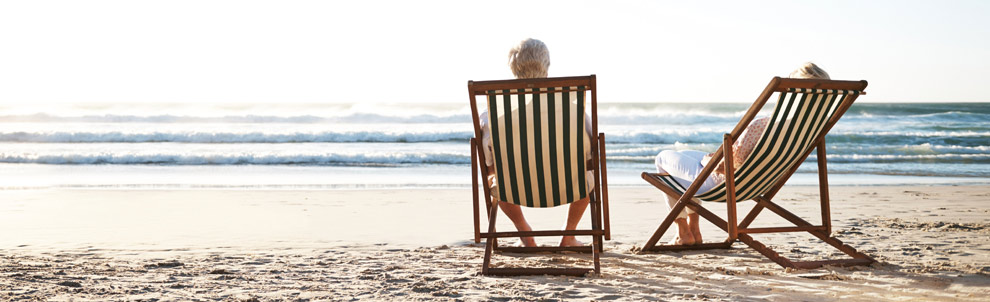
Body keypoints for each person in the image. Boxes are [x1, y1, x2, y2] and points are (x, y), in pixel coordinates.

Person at [655, 62, 830, 245]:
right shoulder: (811, 128)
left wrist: (711, 162)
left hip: (721, 183)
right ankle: (694, 230)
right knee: (684, 153)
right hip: (758, 184)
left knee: (662, 158)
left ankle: (683, 231)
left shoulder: (762, 126)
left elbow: (732, 166)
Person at [479, 38, 594, 247]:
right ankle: (568, 236)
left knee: (497, 179)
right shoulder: (574, 110)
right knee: (590, 176)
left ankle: (525, 233)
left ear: (513, 70)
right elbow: (591, 154)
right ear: (546, 66)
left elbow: (488, 164)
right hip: (571, 185)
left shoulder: (494, 115)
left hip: (513, 188)